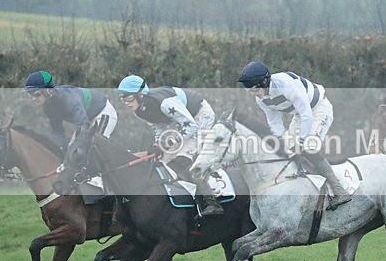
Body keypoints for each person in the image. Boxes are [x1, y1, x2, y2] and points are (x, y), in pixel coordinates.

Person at [237, 61, 351, 210]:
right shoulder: (262, 100)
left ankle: (339, 190)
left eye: (255, 89)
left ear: (265, 81)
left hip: (318, 110)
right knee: (287, 151)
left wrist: (301, 142)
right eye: (250, 91)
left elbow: (307, 114)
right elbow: (275, 122)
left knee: (307, 148)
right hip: (299, 115)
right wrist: (281, 142)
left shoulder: (286, 84)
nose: (254, 95)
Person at [115, 74, 223, 217]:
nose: (126, 103)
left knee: (183, 160)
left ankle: (212, 202)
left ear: (140, 95)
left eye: (129, 98)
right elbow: (159, 127)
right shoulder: (139, 111)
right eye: (123, 99)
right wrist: (157, 144)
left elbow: (191, 126)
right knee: (164, 160)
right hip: (183, 123)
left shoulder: (164, 103)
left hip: (200, 116)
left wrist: (166, 143)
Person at [23, 70, 118, 151]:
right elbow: (58, 132)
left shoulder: (68, 100)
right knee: (71, 152)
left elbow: (83, 126)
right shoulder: (48, 107)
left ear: (48, 90)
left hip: (103, 112)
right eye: (30, 95)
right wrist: (60, 150)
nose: (33, 99)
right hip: (87, 119)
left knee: (94, 147)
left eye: (37, 94)